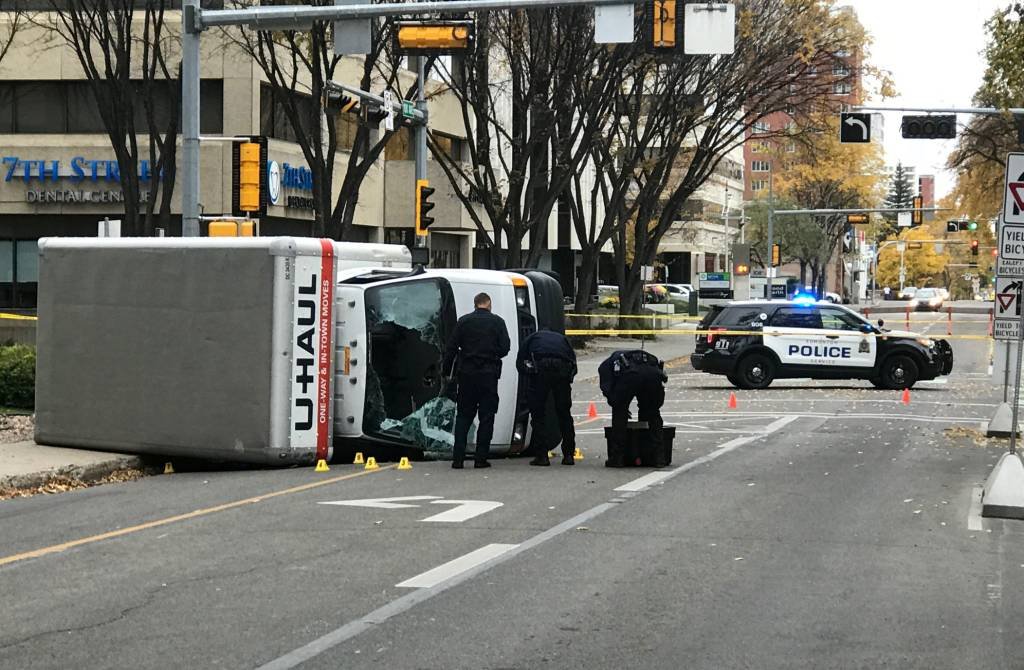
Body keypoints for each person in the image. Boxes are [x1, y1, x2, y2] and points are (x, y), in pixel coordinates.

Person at [443, 292, 511, 469]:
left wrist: (446, 372)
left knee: (464, 416)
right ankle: (481, 458)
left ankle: (458, 459)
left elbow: (450, 348)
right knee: (487, 417)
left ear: (475, 304)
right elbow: (505, 348)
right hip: (489, 375)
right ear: (489, 304)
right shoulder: (497, 322)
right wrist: (491, 352)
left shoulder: (464, 321)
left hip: (466, 375)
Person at [598, 349, 668, 468]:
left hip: (629, 376)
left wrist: (619, 404)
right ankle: (658, 457)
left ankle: (618, 457)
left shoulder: (606, 367)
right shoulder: (650, 360)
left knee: (619, 415)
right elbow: (657, 400)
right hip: (652, 375)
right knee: (652, 414)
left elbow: (607, 388)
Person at [517, 328, 577, 466]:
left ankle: (542, 456)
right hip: (562, 369)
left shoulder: (532, 338)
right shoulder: (562, 339)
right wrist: (568, 378)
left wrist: (529, 376)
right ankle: (569, 455)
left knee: (538, 414)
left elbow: (520, 362)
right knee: (564, 413)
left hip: (541, 369)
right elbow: (573, 362)